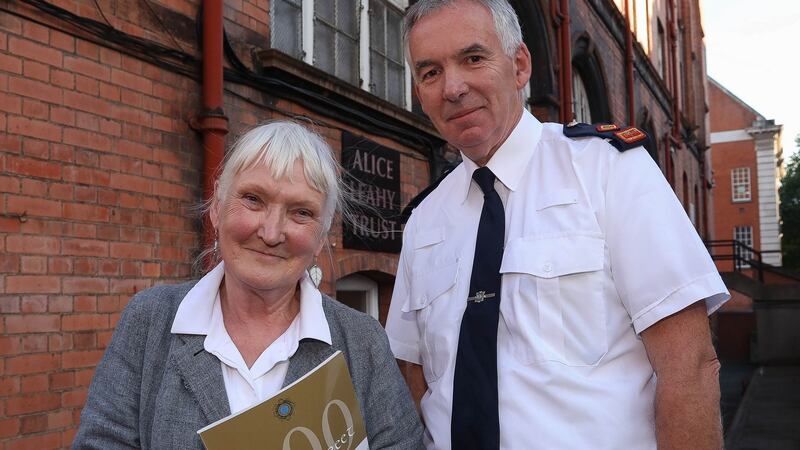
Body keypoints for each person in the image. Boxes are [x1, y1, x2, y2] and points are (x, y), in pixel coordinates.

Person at [386, 1, 730, 449]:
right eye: (430, 72)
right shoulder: (423, 221)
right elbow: (415, 379)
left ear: (520, 65)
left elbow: (690, 366)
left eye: (473, 58)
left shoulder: (608, 171)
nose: (452, 87)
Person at [73, 121, 424, 449]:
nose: (271, 233)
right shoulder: (151, 319)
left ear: (321, 237)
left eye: (301, 212)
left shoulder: (361, 339)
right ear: (217, 207)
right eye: (254, 199)